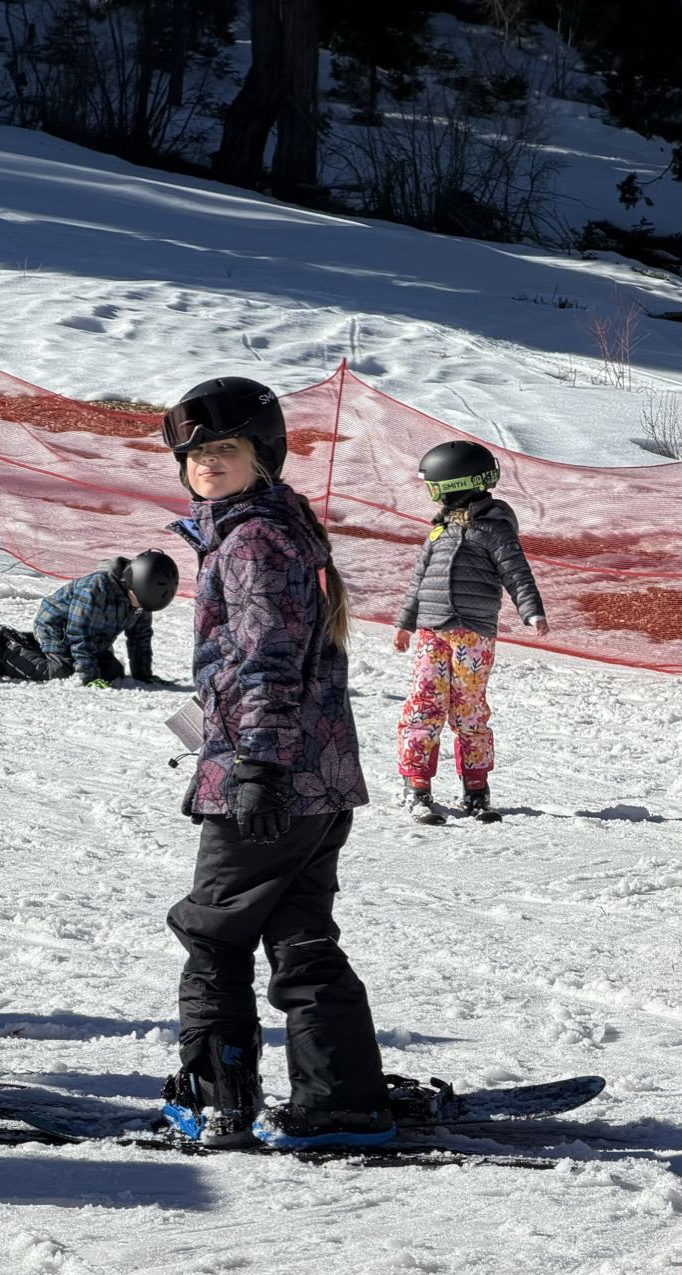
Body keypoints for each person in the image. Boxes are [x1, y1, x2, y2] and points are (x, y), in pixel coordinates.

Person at [160, 376, 394, 1152]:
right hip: (319, 775)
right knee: (300, 936)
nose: (207, 466)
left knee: (215, 933)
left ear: (263, 454)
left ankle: (218, 1099)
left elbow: (266, 659)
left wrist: (256, 763)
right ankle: (341, 1099)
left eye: (223, 451)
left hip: (270, 776)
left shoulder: (254, 537)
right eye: (194, 456)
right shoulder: (276, 526)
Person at [394, 440, 549, 825]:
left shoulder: (494, 530)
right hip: (432, 633)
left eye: (435, 488)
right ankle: (417, 787)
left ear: (456, 484)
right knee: (423, 707)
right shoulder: (438, 532)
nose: (432, 497)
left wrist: (532, 611)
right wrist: (405, 621)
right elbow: (419, 581)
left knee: (469, 711)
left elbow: (517, 574)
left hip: (473, 637)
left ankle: (476, 790)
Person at [0, 551, 179, 685]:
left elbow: (140, 637)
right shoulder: (97, 588)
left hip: (92, 636)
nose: (138, 609)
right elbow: (78, 632)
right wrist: (88, 676)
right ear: (133, 582)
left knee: (113, 671)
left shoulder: (141, 601)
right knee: (61, 669)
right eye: (137, 601)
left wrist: (143, 675)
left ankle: (29, 645)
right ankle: (1, 646)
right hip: (57, 626)